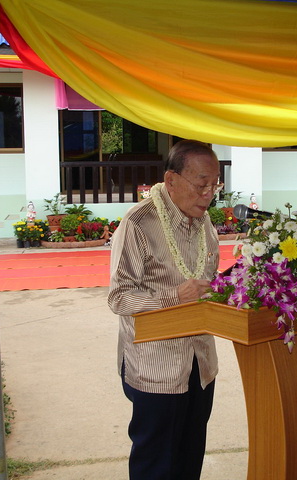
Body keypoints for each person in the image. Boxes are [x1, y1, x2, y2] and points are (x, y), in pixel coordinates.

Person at [108, 140, 223, 480]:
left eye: (215, 185)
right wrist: (174, 296)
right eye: (201, 184)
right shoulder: (139, 223)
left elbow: (209, 279)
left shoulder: (205, 224)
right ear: (171, 180)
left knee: (190, 456)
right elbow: (119, 298)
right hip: (156, 368)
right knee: (155, 463)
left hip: (199, 364)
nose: (209, 194)